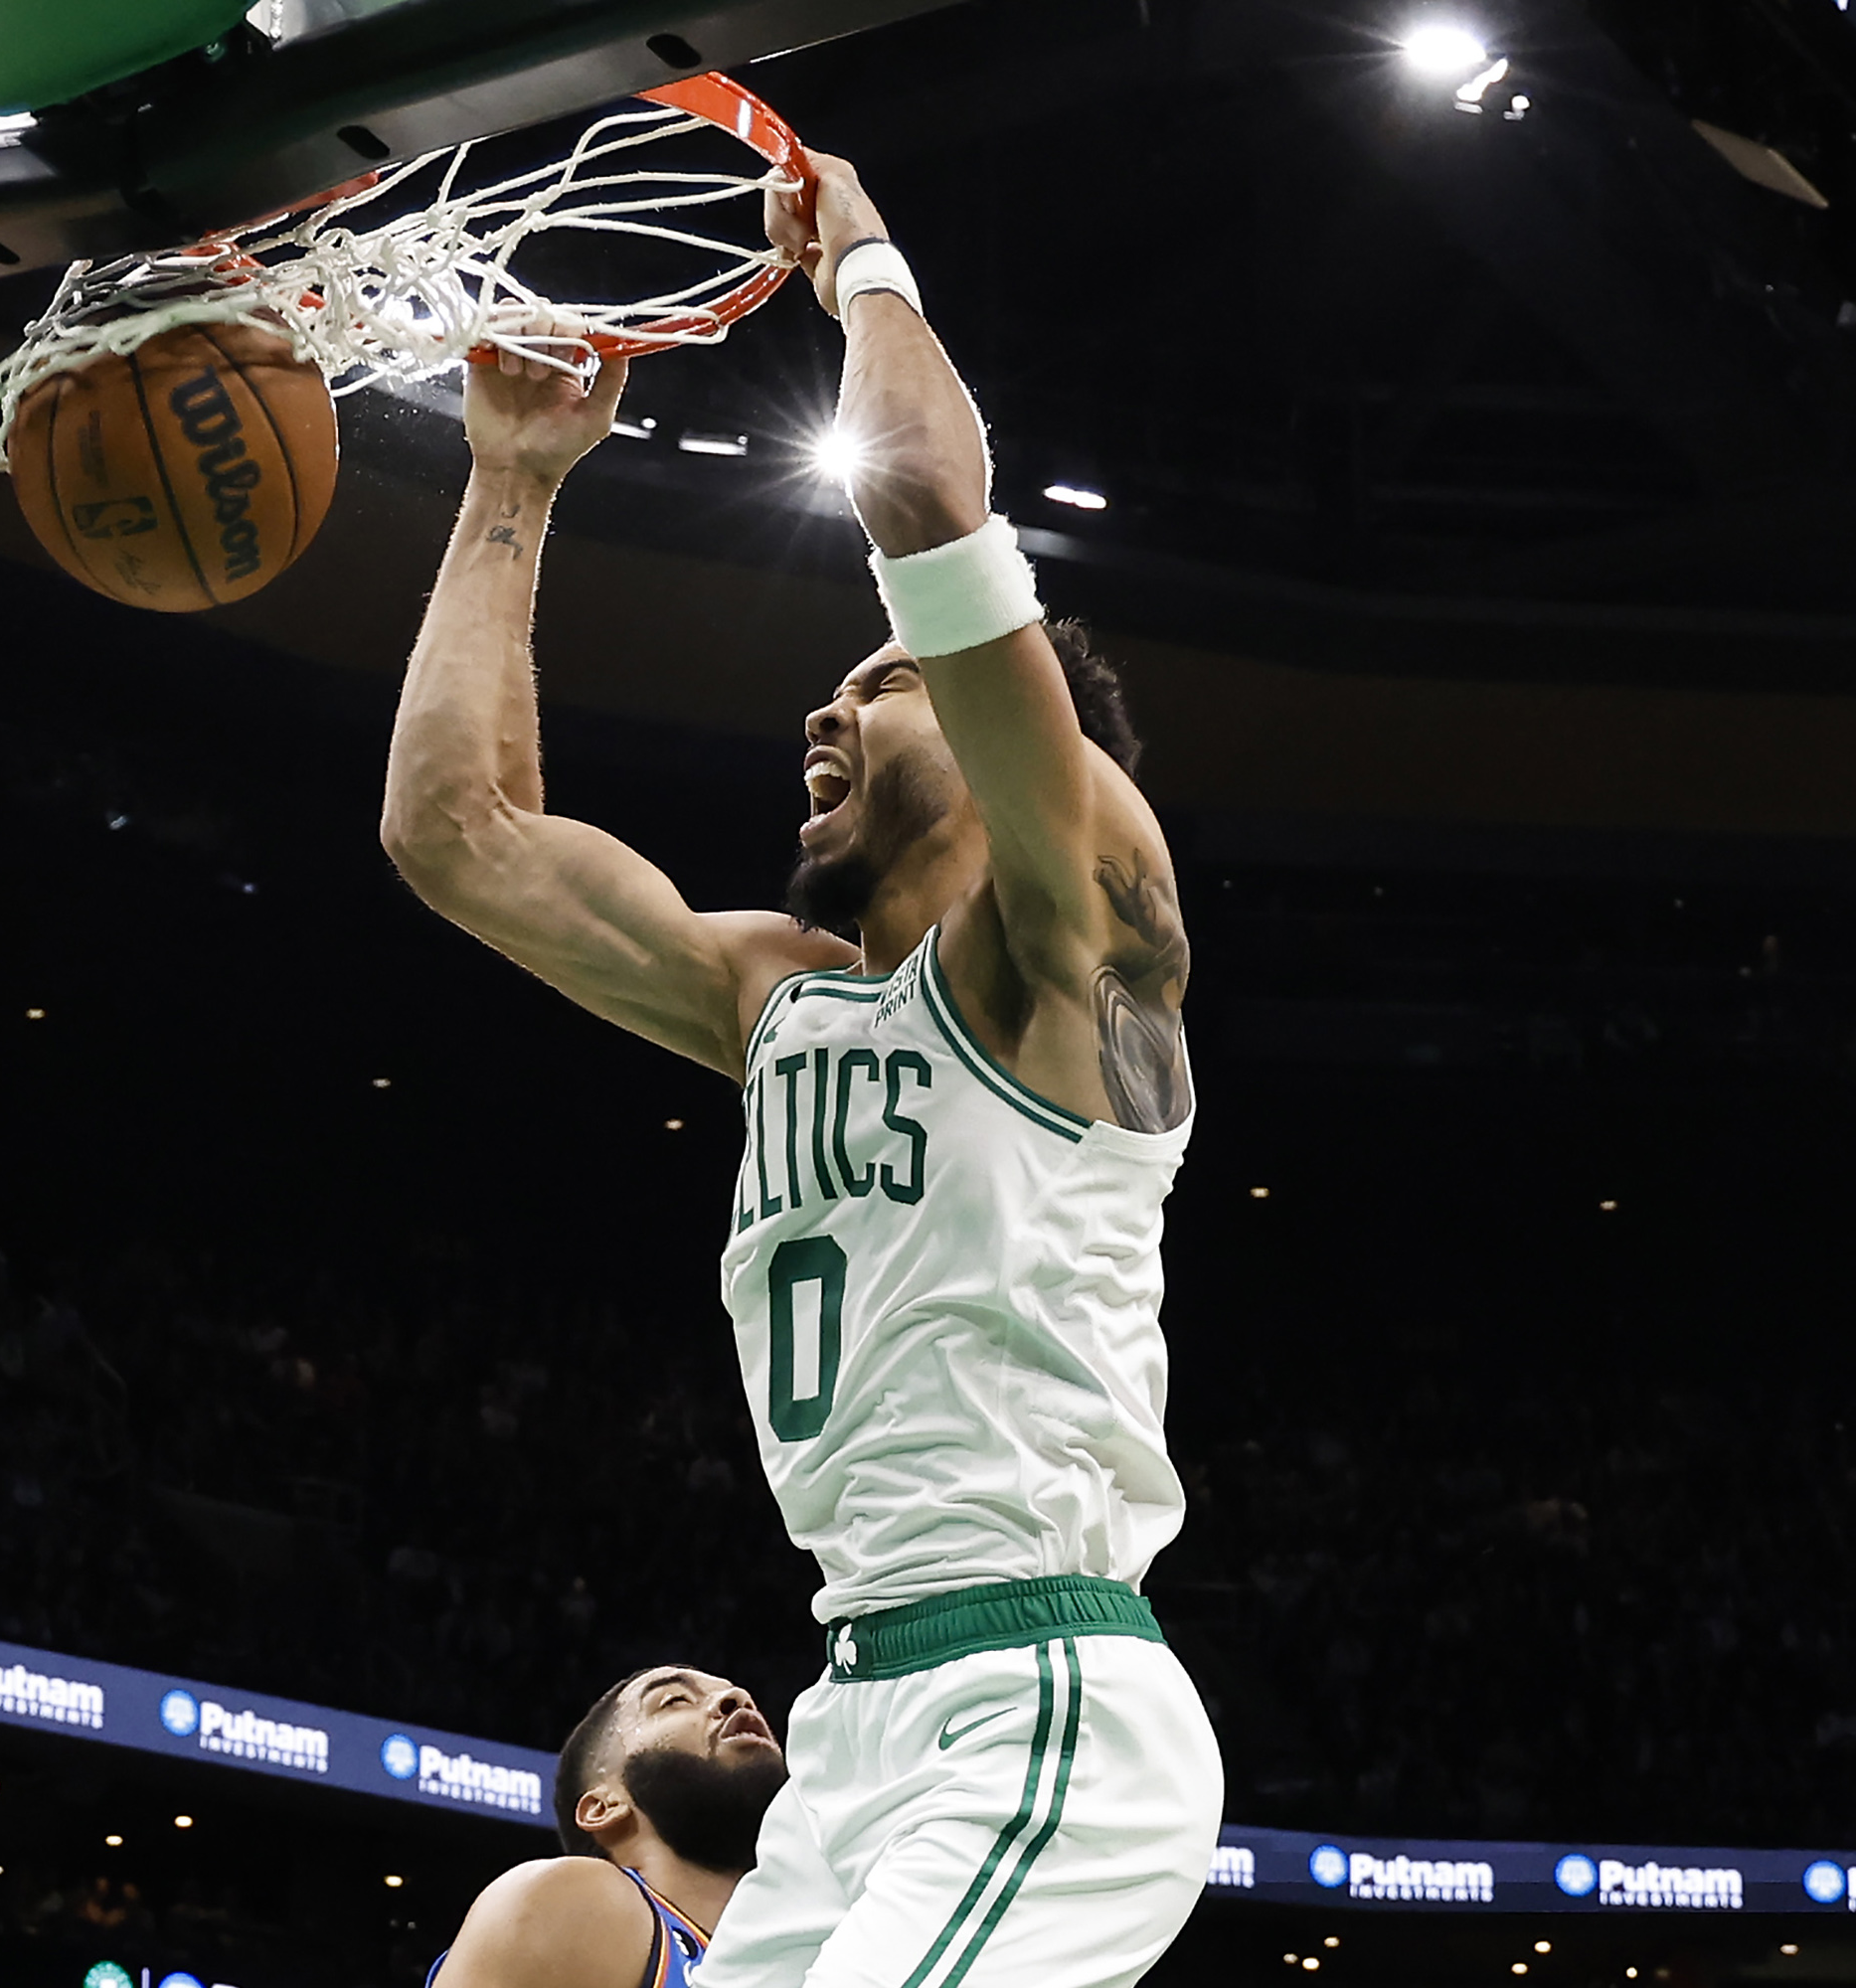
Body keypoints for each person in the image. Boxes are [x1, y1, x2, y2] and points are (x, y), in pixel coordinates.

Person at [382, 146, 1221, 1988]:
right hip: (857, 1720)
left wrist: (861, 261)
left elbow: (920, 490)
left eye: (884, 680)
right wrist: (510, 483)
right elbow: (458, 836)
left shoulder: (1080, 938)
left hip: (1041, 1690)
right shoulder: (781, 999)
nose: (827, 705)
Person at [429, 1667, 788, 1988]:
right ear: (603, 1806)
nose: (737, 1699)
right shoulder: (576, 1900)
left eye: (740, 1694)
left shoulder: (816, 1944)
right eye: (675, 1700)